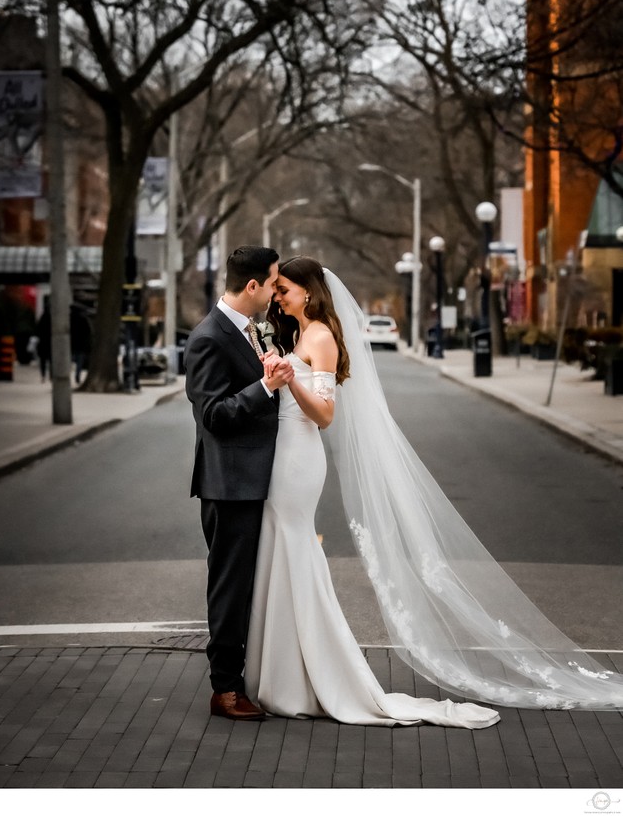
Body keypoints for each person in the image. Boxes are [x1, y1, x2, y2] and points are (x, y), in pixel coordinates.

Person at [244, 257, 623, 726]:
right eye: (276, 289)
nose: (277, 296)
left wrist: (286, 380)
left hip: (299, 457)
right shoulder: (298, 335)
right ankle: (289, 669)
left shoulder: (318, 335)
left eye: (284, 289)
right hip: (284, 453)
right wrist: (276, 370)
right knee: (284, 549)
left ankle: (307, 674)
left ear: (308, 291)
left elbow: (324, 415)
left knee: (296, 549)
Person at [184, 245, 294, 722]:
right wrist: (266, 387)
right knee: (230, 587)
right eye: (272, 283)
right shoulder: (209, 337)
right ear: (252, 286)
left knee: (251, 583)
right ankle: (225, 690)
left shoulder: (251, 330)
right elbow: (213, 415)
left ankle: (247, 677)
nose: (275, 292)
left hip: (257, 479)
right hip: (230, 484)